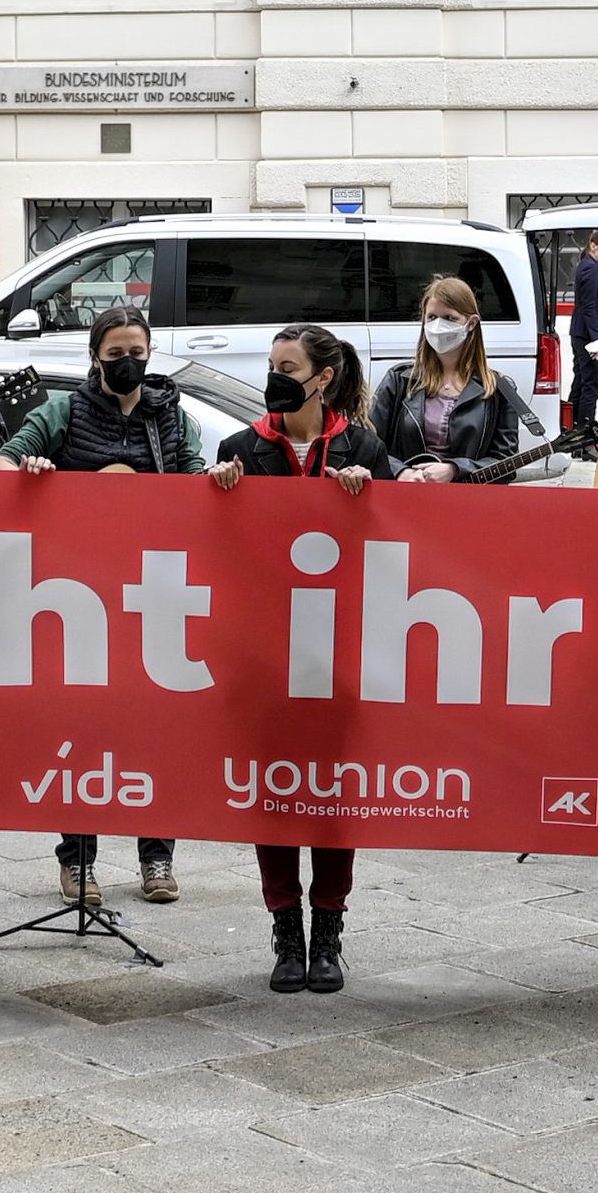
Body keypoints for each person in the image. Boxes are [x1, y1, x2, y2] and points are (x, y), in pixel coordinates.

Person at [214, 324, 391, 990]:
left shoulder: (362, 444)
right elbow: (218, 549)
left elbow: (402, 536)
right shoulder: (239, 448)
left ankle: (329, 931)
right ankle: (285, 930)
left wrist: (369, 492)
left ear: (321, 378)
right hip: (265, 657)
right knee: (276, 795)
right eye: (270, 366)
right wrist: (219, 496)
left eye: (287, 367)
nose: (275, 377)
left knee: (333, 796)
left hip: (340, 651)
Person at [1, 307, 192, 907]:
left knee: (151, 725)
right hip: (77, 595)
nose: (127, 362)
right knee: (76, 727)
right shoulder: (64, 411)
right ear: (95, 356)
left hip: (151, 594)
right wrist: (31, 470)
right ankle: (77, 862)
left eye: (136, 350)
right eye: (115, 353)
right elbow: (6, 458)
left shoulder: (170, 416)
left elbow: (196, 482)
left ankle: (157, 856)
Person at [366, 277, 541, 482]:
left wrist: (455, 470)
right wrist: (401, 472)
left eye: (449, 318)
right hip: (405, 499)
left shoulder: (499, 389)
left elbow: (506, 464)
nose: (438, 326)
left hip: (467, 505)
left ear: (471, 323)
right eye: (431, 317)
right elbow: (369, 445)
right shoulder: (399, 380)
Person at [566, 231, 598, 442]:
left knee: (580, 383)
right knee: (590, 387)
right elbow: (588, 306)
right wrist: (596, 340)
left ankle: (572, 434)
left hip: (582, 334)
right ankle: (585, 438)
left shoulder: (588, 266)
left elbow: (594, 298)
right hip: (588, 337)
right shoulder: (590, 268)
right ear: (593, 246)